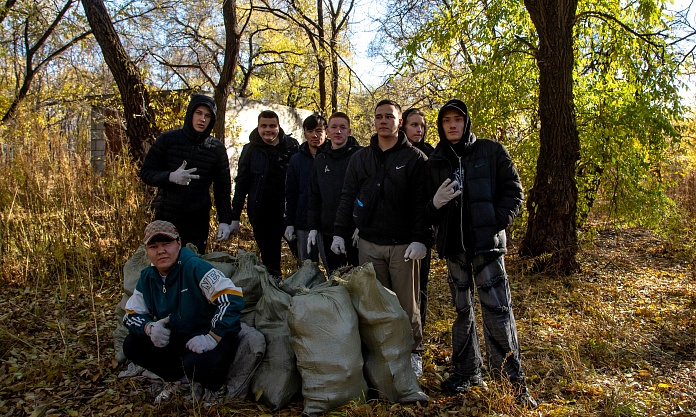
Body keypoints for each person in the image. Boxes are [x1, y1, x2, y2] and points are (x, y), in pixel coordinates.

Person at [425, 99, 536, 408]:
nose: (452, 125)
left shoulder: (490, 151)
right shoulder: (435, 161)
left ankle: (512, 386)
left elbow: (514, 192)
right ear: (441, 125)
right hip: (455, 251)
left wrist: (495, 222)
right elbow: (425, 210)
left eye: (457, 119)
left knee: (498, 313)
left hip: (487, 249)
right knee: (462, 313)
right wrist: (435, 203)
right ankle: (466, 373)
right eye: (446, 120)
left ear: (466, 122)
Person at [332, 100, 429, 377]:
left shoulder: (415, 159)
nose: (383, 121)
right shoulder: (360, 158)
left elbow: (422, 204)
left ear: (400, 122)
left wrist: (420, 239)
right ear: (373, 122)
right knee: (375, 304)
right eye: (379, 117)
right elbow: (347, 197)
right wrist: (339, 232)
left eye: (389, 117)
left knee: (407, 305)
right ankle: (382, 354)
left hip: (403, 247)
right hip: (369, 244)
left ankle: (413, 353)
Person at [123, 220, 244, 402]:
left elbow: (231, 297)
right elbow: (131, 314)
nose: (161, 251)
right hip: (179, 337)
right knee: (131, 344)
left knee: (196, 364)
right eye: (154, 246)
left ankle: (214, 389)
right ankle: (177, 381)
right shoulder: (148, 277)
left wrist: (212, 336)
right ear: (147, 250)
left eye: (167, 244)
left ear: (179, 243)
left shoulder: (194, 267)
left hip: (211, 338)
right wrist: (149, 328)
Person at [140, 94, 233, 254]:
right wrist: (170, 177)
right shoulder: (168, 140)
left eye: (207, 115)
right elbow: (146, 173)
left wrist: (224, 220)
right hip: (166, 216)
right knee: (165, 265)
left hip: (197, 220)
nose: (202, 119)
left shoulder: (216, 149)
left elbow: (222, 188)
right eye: (198, 113)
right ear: (190, 114)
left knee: (192, 265)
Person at [230, 110, 299, 277]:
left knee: (303, 257)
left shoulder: (292, 146)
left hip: (290, 214)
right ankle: (275, 295)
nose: (268, 130)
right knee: (271, 264)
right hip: (262, 216)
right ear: (258, 127)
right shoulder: (250, 150)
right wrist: (234, 217)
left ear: (278, 126)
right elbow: (241, 184)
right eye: (264, 126)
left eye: (272, 126)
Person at [306, 112, 362, 273]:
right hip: (328, 230)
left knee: (358, 279)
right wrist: (313, 226)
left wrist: (362, 223)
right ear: (327, 131)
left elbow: (367, 192)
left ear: (349, 131)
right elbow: (314, 195)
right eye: (334, 127)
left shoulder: (360, 156)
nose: (338, 131)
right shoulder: (320, 159)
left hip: (355, 233)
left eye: (343, 127)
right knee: (336, 277)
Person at [401, 108, 435, 329]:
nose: (419, 130)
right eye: (414, 125)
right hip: (396, 230)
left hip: (423, 228)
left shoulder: (431, 154)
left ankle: (417, 330)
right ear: (403, 125)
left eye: (422, 126)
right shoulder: (394, 151)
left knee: (420, 283)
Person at [284, 114, 327, 266]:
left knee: (336, 271)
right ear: (304, 133)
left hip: (328, 224)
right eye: (310, 131)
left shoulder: (332, 156)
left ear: (326, 132)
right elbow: (291, 193)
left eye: (319, 130)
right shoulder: (296, 160)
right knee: (308, 270)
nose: (315, 135)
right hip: (303, 223)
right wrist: (290, 222)